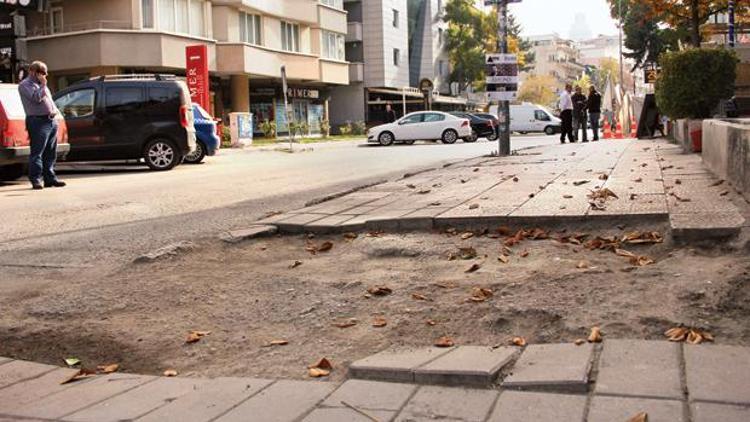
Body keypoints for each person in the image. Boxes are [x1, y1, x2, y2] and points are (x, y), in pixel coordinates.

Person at [18, 61, 65, 190]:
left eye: (46, 73)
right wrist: (43, 85)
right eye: (42, 73)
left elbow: (49, 101)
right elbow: (36, 98)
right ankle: (36, 179)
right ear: (33, 72)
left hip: (51, 120)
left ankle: (50, 178)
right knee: (37, 152)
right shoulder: (25, 85)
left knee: (50, 152)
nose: (45, 76)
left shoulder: (41, 85)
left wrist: (55, 113)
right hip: (37, 121)